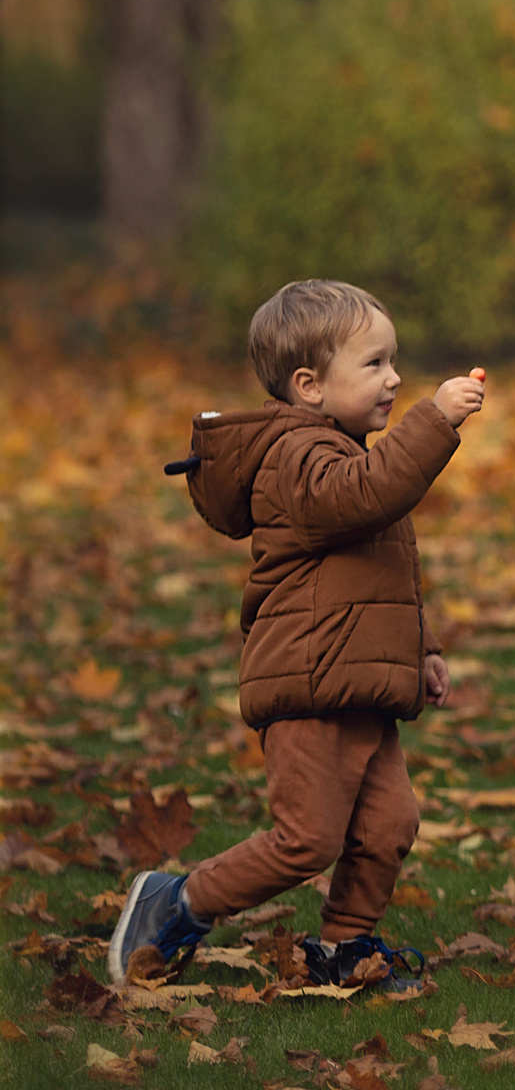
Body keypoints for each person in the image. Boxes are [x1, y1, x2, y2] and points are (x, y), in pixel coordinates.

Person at [107, 280, 486, 991]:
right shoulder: (296, 458)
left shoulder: (346, 450)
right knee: (307, 836)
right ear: (309, 385)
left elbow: (385, 573)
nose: (396, 379)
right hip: (311, 684)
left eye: (395, 361)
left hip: (362, 680)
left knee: (388, 824)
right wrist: (435, 420)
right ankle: (177, 899)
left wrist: (424, 648)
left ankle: (343, 946)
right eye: (374, 363)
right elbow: (364, 494)